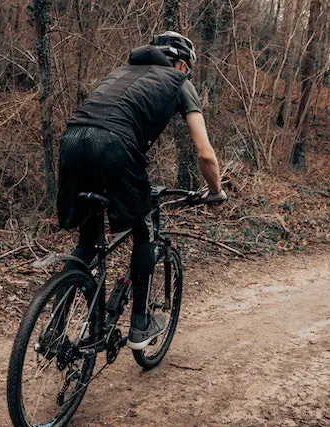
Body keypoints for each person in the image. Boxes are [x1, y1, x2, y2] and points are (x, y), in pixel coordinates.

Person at [56, 31, 226, 350]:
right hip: (114, 146)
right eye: (187, 67)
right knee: (144, 231)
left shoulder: (119, 73)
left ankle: (53, 326)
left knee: (88, 242)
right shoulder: (179, 82)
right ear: (180, 63)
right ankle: (139, 325)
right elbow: (205, 154)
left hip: (72, 141)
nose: (187, 73)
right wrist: (215, 191)